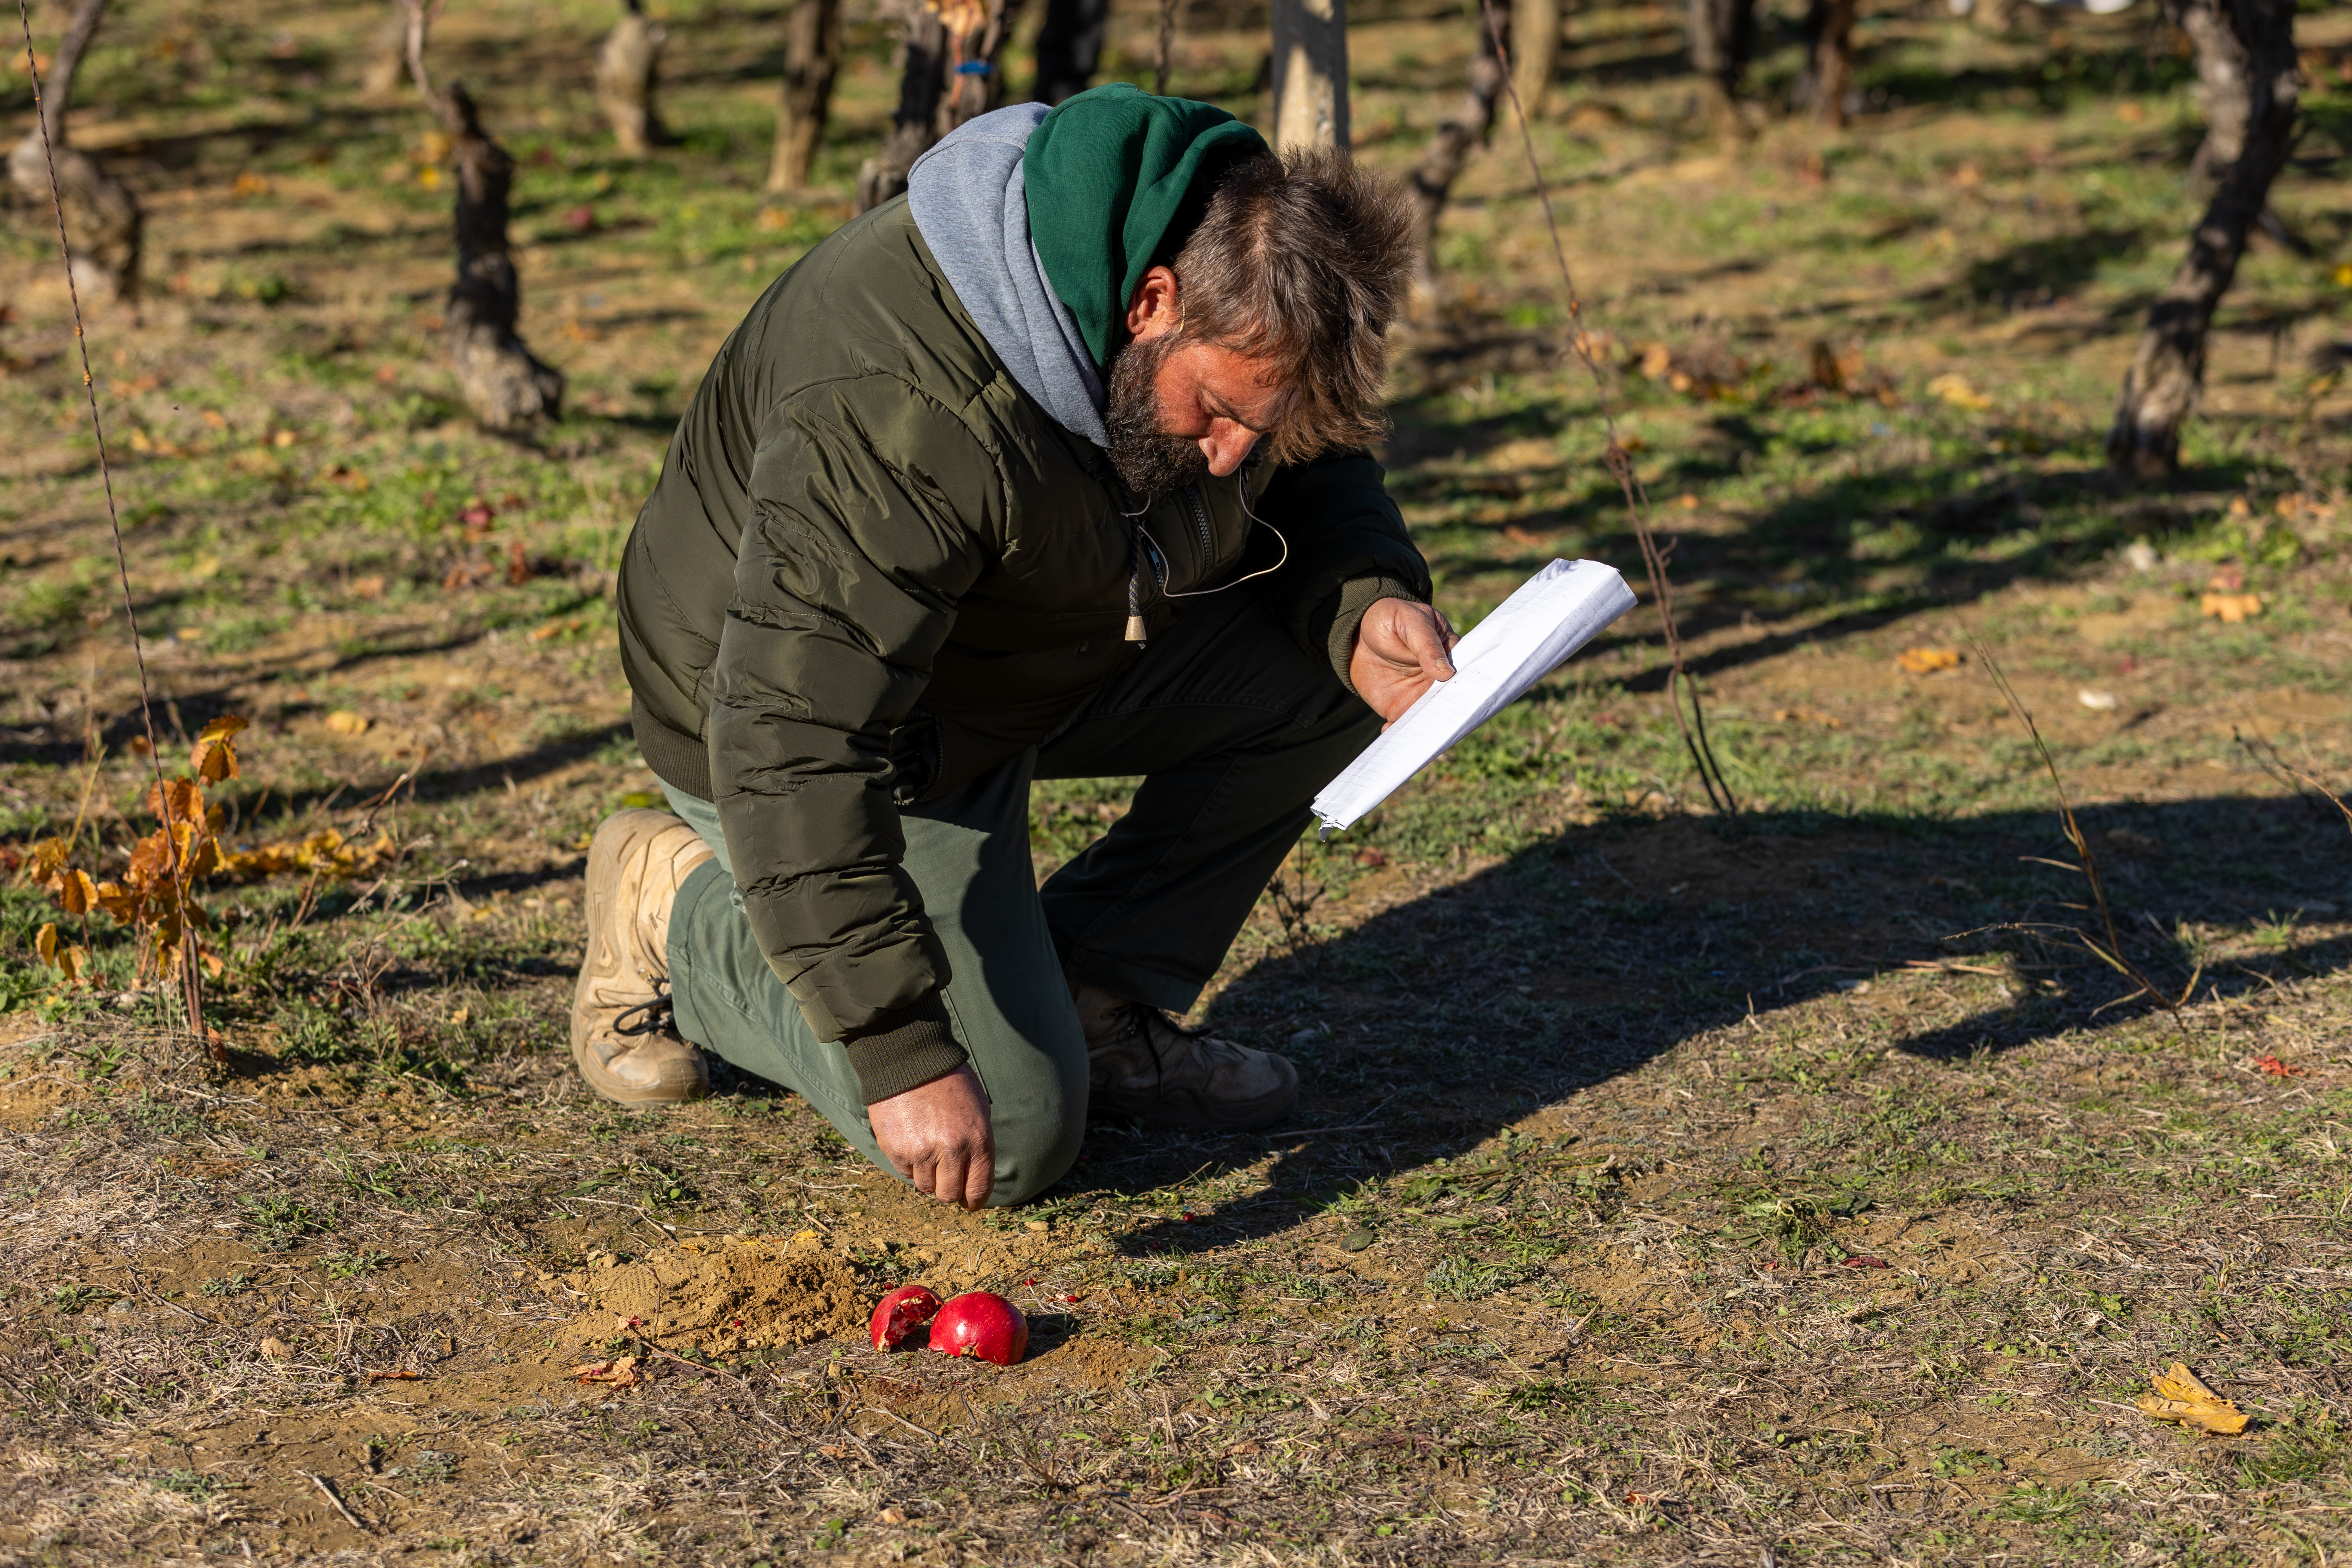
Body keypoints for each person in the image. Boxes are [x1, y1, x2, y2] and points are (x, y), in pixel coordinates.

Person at [573, 85, 1458, 1211]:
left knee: (1327, 681)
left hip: (1023, 652)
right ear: (1150, 303)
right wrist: (898, 1049)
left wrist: (1363, 601)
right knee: (1019, 1135)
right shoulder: (903, 404)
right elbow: (794, 739)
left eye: (1262, 425)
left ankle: (1101, 995)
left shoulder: (1223, 278)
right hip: (819, 723)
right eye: (1220, 413)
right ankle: (674, 906)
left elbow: (1310, 464)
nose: (1236, 457)